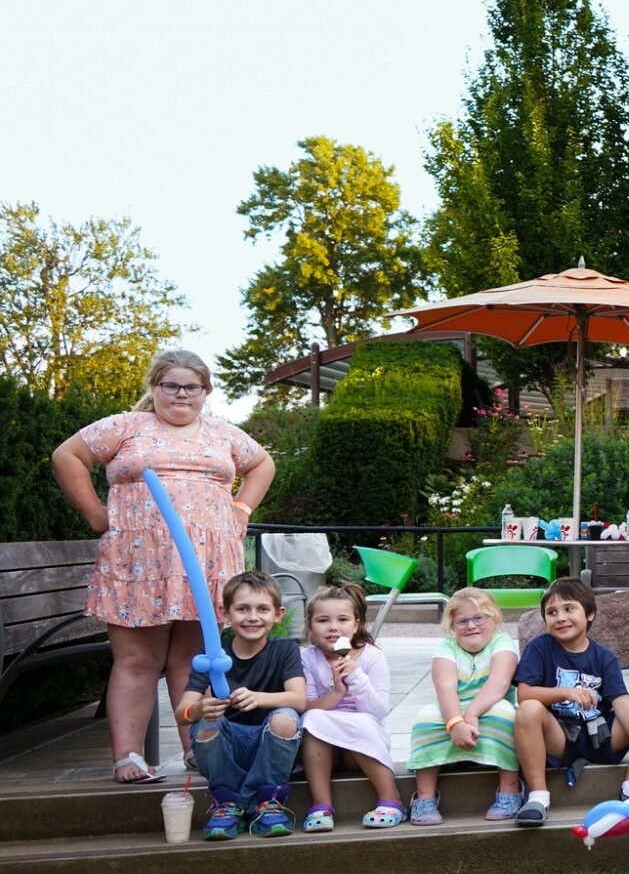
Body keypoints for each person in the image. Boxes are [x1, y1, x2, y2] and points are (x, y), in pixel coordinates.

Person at [51, 348, 275, 783]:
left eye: (192, 386)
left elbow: (263, 462)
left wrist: (243, 508)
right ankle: (129, 757)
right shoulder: (127, 426)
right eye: (170, 385)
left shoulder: (222, 433)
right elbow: (67, 456)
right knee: (138, 659)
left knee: (196, 659)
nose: (181, 394)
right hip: (140, 561)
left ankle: (200, 750)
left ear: (206, 392)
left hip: (206, 561)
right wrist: (95, 514)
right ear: (153, 387)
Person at [512, 578, 629, 828]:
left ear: (590, 613)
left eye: (569, 609)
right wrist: (565, 693)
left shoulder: (604, 656)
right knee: (528, 709)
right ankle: (538, 796)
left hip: (603, 735)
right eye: (551, 612)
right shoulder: (540, 648)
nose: (560, 617)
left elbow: (622, 704)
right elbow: (525, 695)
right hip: (561, 738)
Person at [173, 571, 306, 840]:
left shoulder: (285, 650)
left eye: (262, 609)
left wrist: (260, 697)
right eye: (243, 609)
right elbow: (182, 713)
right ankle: (227, 804)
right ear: (225, 612)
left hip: (268, 746)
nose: (253, 617)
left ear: (278, 614)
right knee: (205, 723)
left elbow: (298, 699)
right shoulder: (211, 656)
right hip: (227, 745)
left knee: (286, 717)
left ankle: (267, 801)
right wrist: (198, 709)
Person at [408, 588, 522, 825]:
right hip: (453, 706)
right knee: (425, 720)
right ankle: (424, 796)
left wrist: (471, 714)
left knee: (506, 716)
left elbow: (499, 682)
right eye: (462, 621)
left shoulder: (503, 642)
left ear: (495, 620)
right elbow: (445, 687)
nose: (471, 625)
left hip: (491, 702)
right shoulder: (446, 647)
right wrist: (455, 721)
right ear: (452, 626)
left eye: (479, 618)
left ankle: (509, 788)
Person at [298, 582, 401, 832]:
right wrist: (337, 692)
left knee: (363, 721)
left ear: (356, 625)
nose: (333, 627)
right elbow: (305, 705)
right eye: (323, 620)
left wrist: (356, 677)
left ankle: (391, 798)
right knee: (312, 719)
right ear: (310, 627)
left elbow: (377, 712)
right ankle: (322, 805)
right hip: (326, 751)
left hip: (363, 746)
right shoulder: (306, 657)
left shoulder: (371, 656)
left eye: (342, 620)